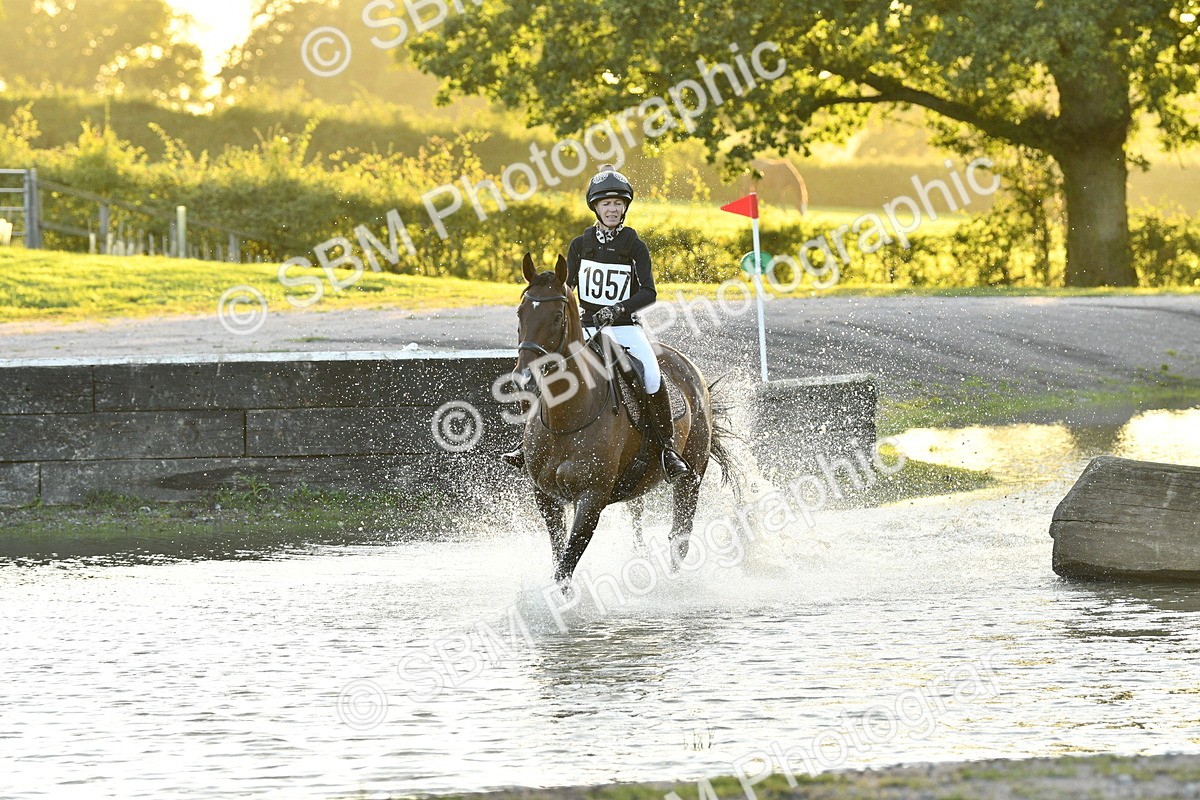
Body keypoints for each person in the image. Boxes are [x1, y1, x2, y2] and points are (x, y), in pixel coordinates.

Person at [501, 164, 691, 482]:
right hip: (587, 327)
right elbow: (569, 287)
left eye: (618, 203)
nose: (612, 209)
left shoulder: (634, 246)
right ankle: (527, 443)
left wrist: (617, 309)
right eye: (606, 204)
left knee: (651, 375)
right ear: (596, 207)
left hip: (625, 328)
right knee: (546, 368)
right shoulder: (580, 245)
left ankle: (666, 448)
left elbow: (649, 292)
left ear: (624, 207)